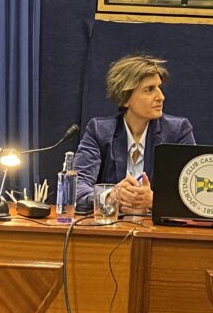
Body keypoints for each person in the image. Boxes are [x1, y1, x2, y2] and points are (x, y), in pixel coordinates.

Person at [73, 54, 195, 214]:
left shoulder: (178, 131)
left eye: (159, 87)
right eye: (149, 90)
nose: (161, 97)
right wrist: (110, 196)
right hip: (112, 230)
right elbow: (76, 187)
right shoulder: (99, 131)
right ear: (125, 98)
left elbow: (193, 195)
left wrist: (154, 200)